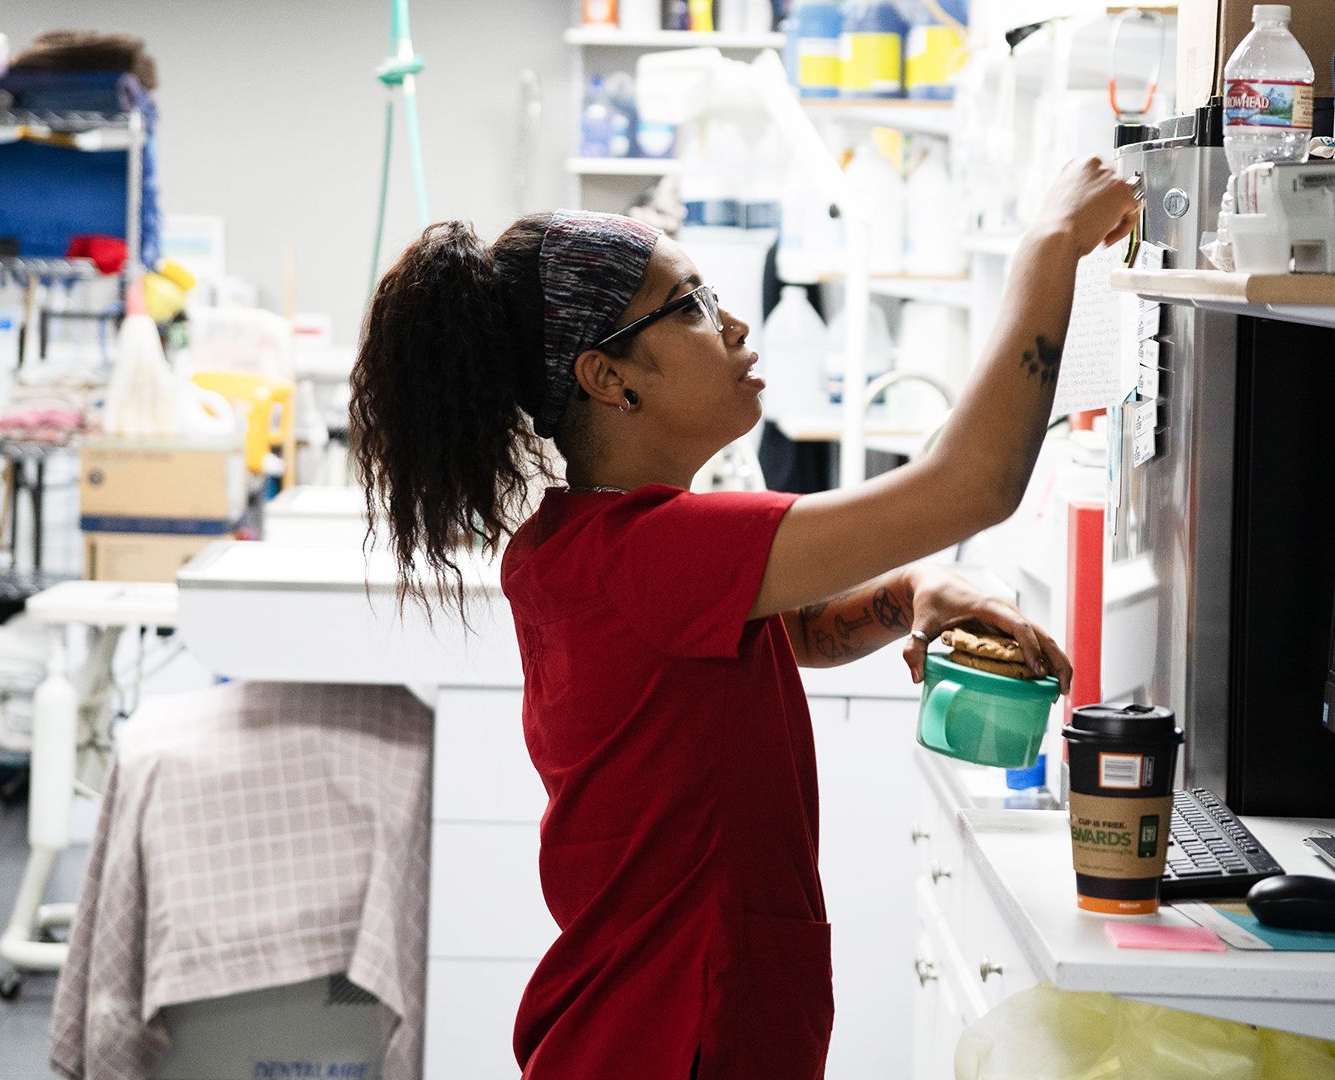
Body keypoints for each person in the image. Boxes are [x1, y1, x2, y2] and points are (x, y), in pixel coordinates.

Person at [350, 156, 1139, 1078]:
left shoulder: (582, 541)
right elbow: (973, 485)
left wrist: (909, 595)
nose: (732, 324)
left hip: (653, 1020)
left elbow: (783, 632)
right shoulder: (653, 550)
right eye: (688, 306)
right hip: (675, 1035)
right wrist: (1051, 243)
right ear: (606, 376)